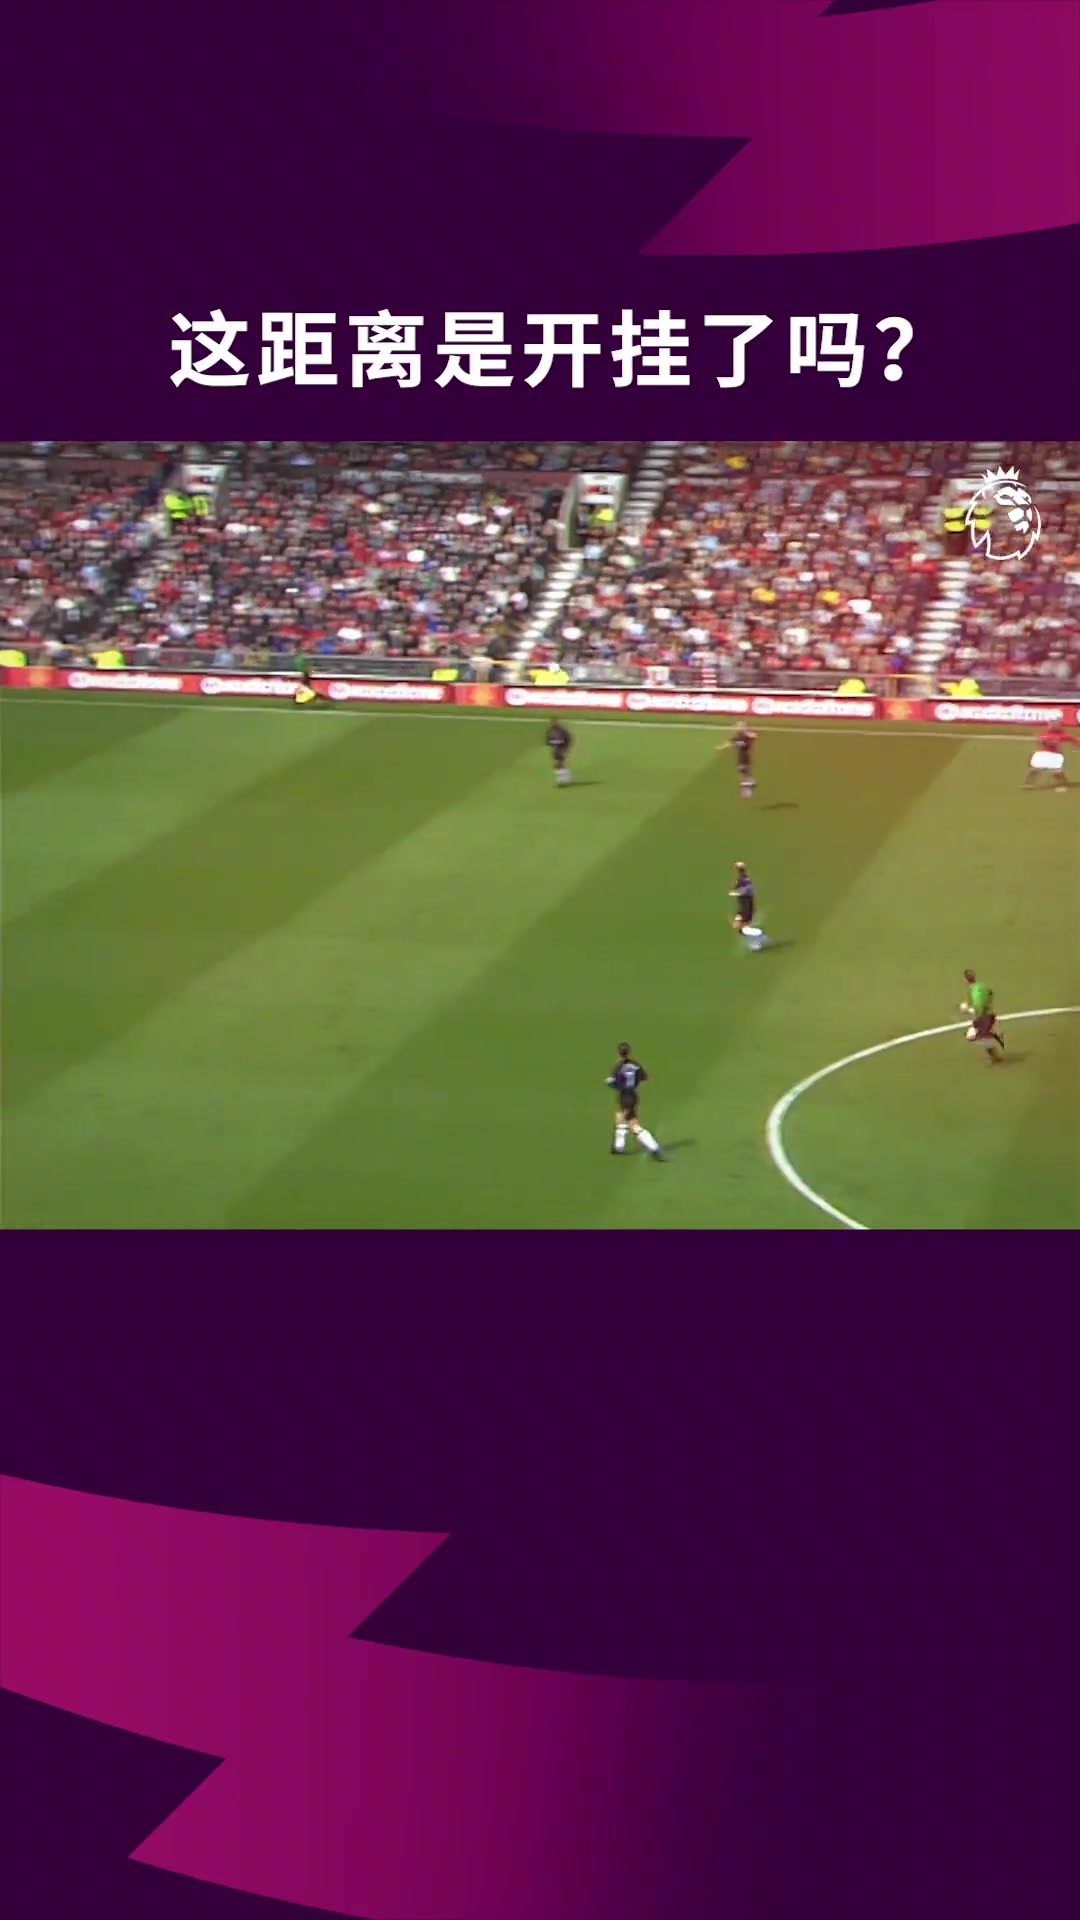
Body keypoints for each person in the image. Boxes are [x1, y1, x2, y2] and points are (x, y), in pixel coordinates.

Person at [606, 1043, 664, 1159]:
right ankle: (618, 1147)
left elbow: (614, 1083)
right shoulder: (635, 1065)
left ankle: (654, 1147)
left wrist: (610, 1083)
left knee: (633, 1125)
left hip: (625, 1096)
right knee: (621, 1116)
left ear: (619, 1053)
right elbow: (644, 1077)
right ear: (629, 1052)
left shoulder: (618, 1067)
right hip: (633, 1095)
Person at [960, 970, 1005, 1062]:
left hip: (984, 1018)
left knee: (973, 1036)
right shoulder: (980, 985)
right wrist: (988, 1004)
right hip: (987, 1016)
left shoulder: (974, 991)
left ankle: (995, 1036)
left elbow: (979, 1006)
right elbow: (990, 992)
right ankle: (995, 1057)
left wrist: (968, 1010)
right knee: (982, 1039)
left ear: (965, 980)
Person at [729, 862, 769, 951]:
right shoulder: (741, 879)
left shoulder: (745, 880)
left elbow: (750, 890)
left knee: (741, 927)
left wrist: (736, 893)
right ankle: (755, 944)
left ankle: (759, 935)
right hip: (743, 907)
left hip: (746, 907)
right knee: (739, 926)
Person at [1023, 724, 1072, 793]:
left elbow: (1072, 739)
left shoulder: (1062, 734)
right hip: (1043, 754)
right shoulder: (1044, 733)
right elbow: (1040, 742)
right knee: (1034, 770)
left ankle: (1063, 785)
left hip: (1054, 755)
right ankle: (1028, 784)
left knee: (1056, 772)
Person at [718, 725, 757, 800]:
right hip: (741, 758)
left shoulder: (747, 738)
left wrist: (746, 732)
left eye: (740, 727)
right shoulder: (738, 738)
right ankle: (749, 784)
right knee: (743, 773)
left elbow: (754, 736)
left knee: (744, 773)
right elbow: (729, 742)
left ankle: (748, 787)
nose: (738, 729)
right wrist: (721, 747)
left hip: (745, 758)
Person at [546, 719, 573, 786]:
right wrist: (551, 751)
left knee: (561, 762)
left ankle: (564, 779)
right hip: (556, 748)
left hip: (562, 748)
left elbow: (569, 739)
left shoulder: (563, 730)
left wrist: (567, 749)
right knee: (557, 764)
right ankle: (561, 779)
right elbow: (549, 742)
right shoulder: (550, 731)